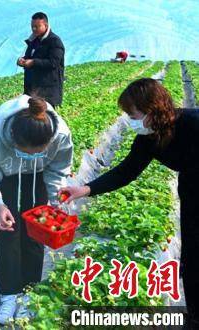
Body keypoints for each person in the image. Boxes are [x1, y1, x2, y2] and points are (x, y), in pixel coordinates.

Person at [59, 78, 199, 328]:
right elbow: (127, 171)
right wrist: (84, 189)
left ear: (152, 109)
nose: (129, 119)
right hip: (192, 193)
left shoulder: (193, 123)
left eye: (132, 113)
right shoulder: (149, 138)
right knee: (191, 262)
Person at [0, 95, 73, 324]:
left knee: (36, 232)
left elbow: (58, 170)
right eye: (26, 152)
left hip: (39, 176)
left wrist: (57, 200)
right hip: (6, 177)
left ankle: (30, 293)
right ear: (13, 140)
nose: (32, 156)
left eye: (39, 152)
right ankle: (9, 296)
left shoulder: (61, 135)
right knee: (8, 231)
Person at [17, 12, 65, 107]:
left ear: (46, 25)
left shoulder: (54, 41)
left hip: (47, 90)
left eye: (37, 26)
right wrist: (22, 60)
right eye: (32, 26)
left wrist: (34, 62)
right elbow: (30, 56)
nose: (34, 29)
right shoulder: (34, 40)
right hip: (32, 87)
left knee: (44, 117)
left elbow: (54, 63)